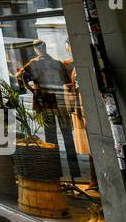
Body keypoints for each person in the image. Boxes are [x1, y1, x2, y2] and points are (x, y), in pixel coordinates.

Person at [16, 43, 82, 179]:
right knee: (67, 135)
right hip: (59, 99)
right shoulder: (57, 63)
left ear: (36, 49)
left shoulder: (33, 64)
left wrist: (33, 89)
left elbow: (19, 77)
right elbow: (67, 80)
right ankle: (74, 173)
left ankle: (56, 172)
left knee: (51, 136)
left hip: (45, 100)